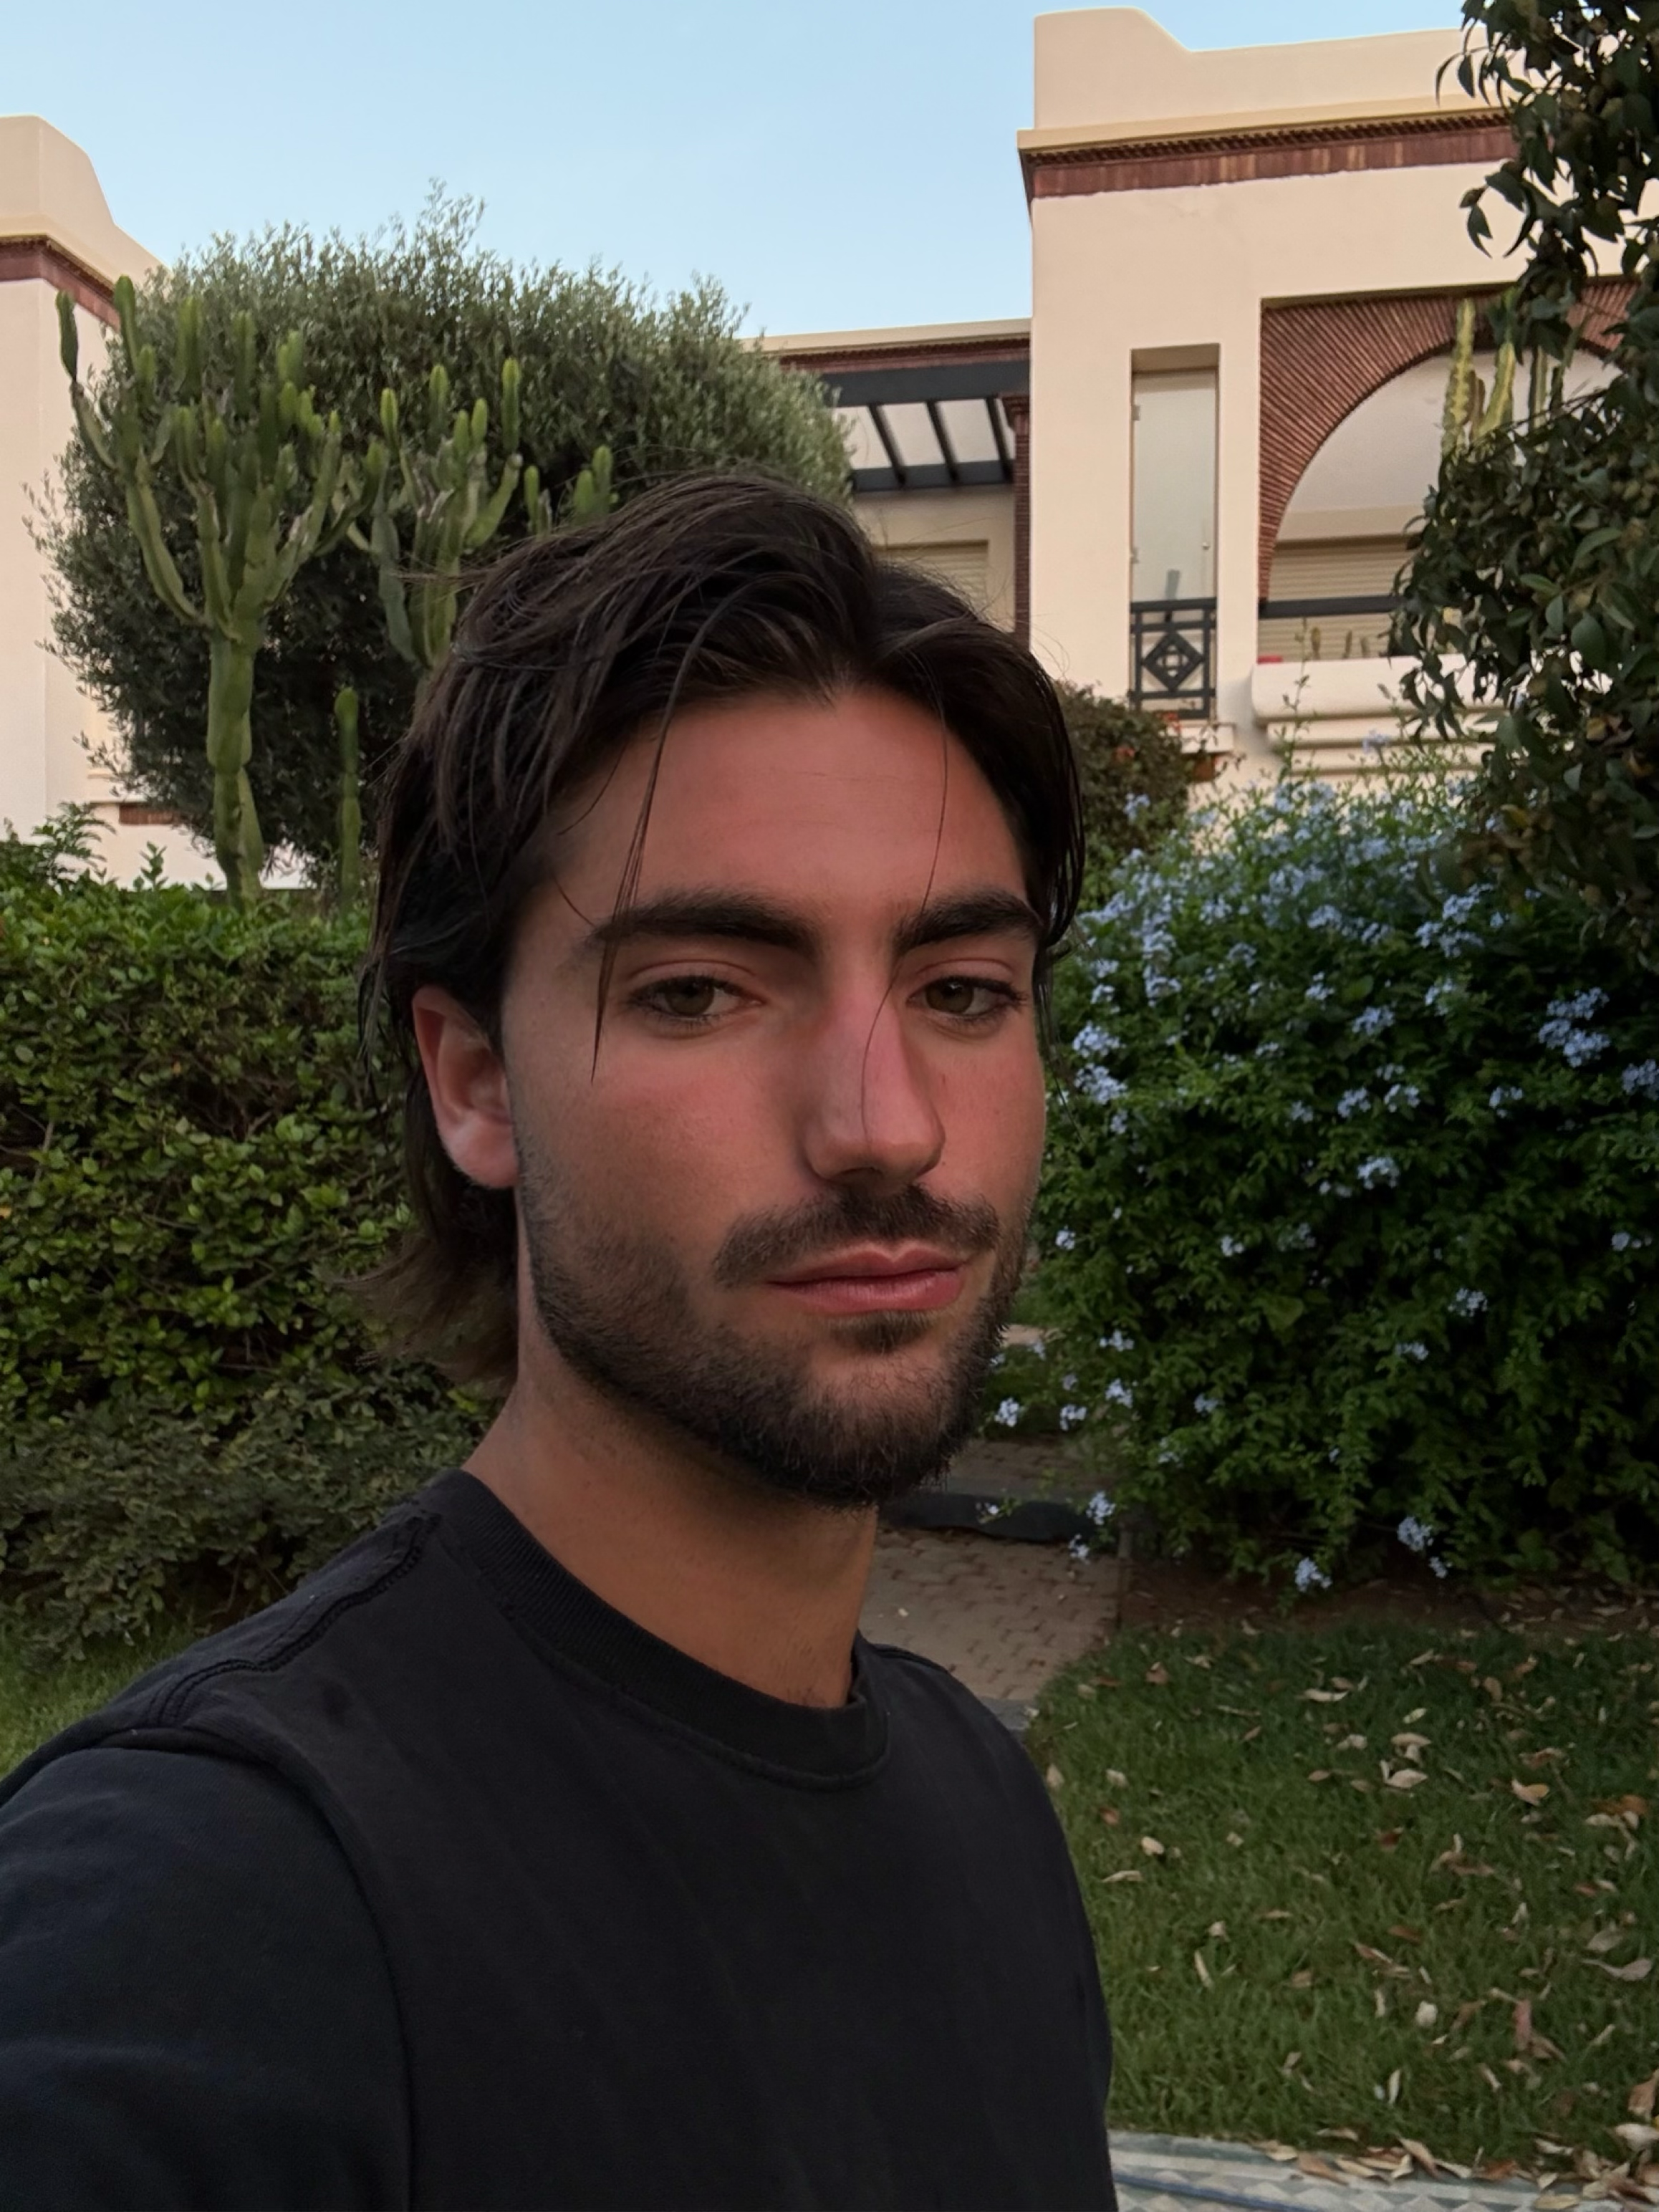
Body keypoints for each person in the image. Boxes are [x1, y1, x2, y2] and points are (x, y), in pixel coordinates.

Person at [0, 476, 1115, 2211]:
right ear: (472, 1081)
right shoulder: (212, 1898)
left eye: (961, 989)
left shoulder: (985, 1810)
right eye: (698, 990)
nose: (884, 1123)